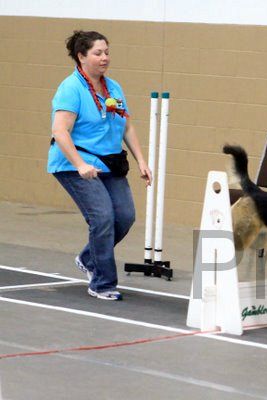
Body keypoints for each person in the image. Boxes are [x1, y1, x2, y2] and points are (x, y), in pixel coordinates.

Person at [48, 30, 152, 300]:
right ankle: (102, 283)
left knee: (125, 216)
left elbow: (126, 125)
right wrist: (80, 164)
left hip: (109, 163)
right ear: (81, 57)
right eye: (98, 53)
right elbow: (60, 132)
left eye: (106, 52)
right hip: (75, 164)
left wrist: (142, 160)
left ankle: (88, 258)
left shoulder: (113, 87)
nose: (105, 57)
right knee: (102, 217)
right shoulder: (71, 89)